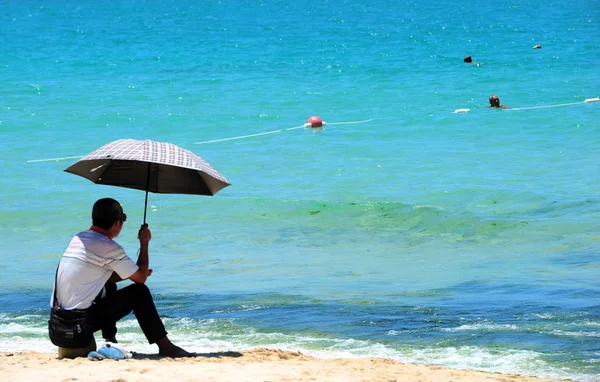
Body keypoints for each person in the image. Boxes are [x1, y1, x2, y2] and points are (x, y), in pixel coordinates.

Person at [51, 197, 192, 358]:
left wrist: (131, 274)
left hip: (58, 326)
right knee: (140, 292)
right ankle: (165, 346)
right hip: (80, 328)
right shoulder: (109, 247)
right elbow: (140, 279)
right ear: (117, 223)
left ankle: (111, 341)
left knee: (109, 285)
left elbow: (102, 279)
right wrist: (144, 243)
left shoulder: (78, 239)